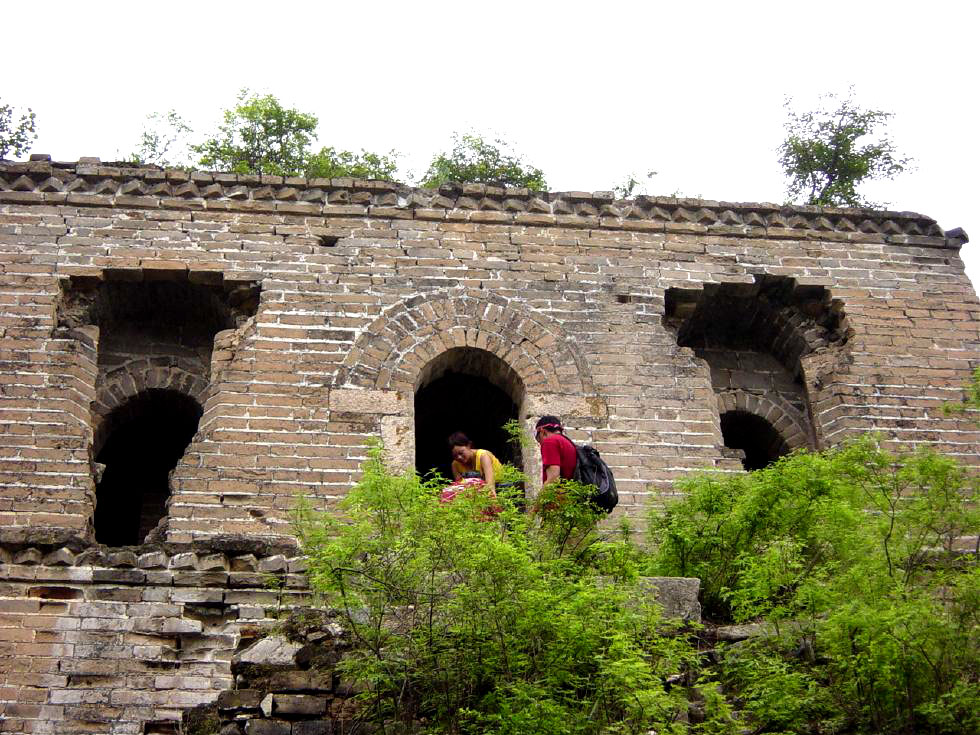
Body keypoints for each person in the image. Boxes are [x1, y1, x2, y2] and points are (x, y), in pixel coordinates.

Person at [534, 415, 577, 486]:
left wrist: (541, 496)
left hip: (560, 495)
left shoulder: (549, 441)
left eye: (539, 439)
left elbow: (553, 479)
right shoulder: (567, 442)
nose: (540, 444)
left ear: (542, 431)